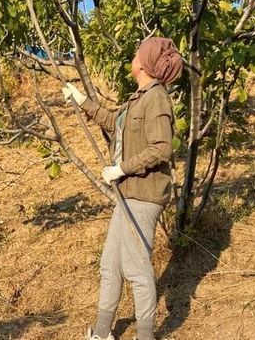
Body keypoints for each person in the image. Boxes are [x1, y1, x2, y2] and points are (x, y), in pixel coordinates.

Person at [62, 37, 183, 340]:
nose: (132, 56)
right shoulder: (139, 99)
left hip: (144, 195)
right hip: (128, 194)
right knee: (110, 265)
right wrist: (81, 100)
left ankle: (145, 336)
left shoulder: (156, 99)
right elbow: (111, 120)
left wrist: (122, 168)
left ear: (144, 62)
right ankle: (102, 333)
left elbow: (161, 148)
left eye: (135, 53)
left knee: (137, 269)